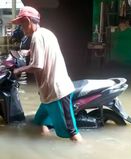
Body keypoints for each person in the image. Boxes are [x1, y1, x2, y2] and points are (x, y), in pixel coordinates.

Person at [11, 6, 83, 142]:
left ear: (27, 20)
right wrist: (28, 52)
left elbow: (38, 66)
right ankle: (44, 146)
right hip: (47, 94)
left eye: (21, 24)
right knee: (39, 123)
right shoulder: (46, 33)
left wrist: (18, 70)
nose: (21, 28)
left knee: (72, 133)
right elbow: (46, 51)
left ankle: (84, 152)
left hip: (57, 93)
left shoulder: (37, 37)